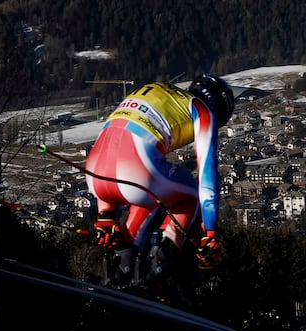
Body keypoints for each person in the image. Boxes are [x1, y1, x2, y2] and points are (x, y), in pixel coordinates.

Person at [85, 75, 234, 277]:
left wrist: (105, 213)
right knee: (191, 194)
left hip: (94, 173)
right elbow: (207, 173)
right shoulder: (203, 110)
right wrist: (210, 233)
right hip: (135, 168)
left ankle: (123, 264)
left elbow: (113, 148)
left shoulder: (158, 90)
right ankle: (160, 267)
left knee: (153, 194)